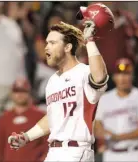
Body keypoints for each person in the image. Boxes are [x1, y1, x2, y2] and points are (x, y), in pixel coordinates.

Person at [8, 20, 109, 162]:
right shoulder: (53, 81)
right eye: (47, 42)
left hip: (76, 150)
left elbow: (100, 76)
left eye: (52, 43)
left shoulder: (84, 72)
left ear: (68, 47)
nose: (46, 47)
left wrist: (90, 41)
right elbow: (53, 118)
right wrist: (26, 137)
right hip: (54, 151)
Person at [94, 58, 138, 162]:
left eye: (126, 74)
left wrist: (117, 137)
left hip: (134, 154)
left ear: (132, 76)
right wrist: (105, 133)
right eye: (119, 74)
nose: (123, 78)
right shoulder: (104, 98)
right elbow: (97, 126)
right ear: (114, 77)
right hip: (110, 154)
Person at [0, 78, 48, 162]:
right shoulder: (4, 118)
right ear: (11, 94)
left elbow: (47, 144)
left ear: (29, 93)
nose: (19, 94)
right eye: (16, 91)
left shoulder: (40, 115)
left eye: (23, 91)